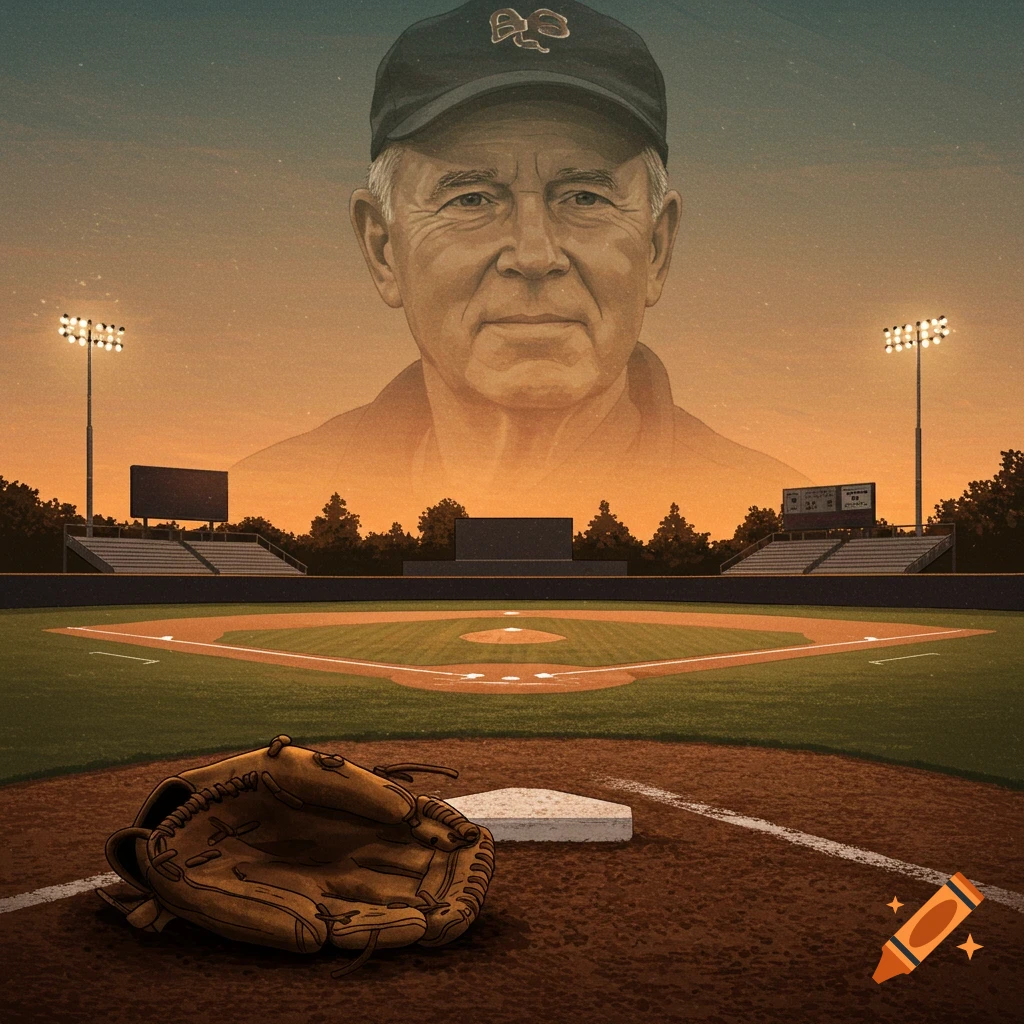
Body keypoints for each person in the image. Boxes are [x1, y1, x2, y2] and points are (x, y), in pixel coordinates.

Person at [231, 0, 810, 539]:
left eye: (584, 197)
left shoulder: (760, 500)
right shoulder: (263, 496)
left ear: (657, 247)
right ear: (383, 248)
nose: (534, 256)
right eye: (472, 198)